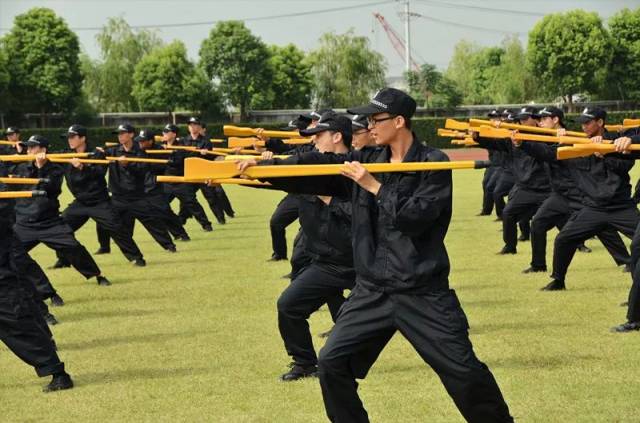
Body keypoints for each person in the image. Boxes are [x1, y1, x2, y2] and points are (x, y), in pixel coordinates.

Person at [238, 88, 513, 422]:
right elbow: (317, 168)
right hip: (372, 291)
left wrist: (375, 187)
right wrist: (268, 167)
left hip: (421, 291)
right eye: (366, 120)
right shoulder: (366, 161)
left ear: (399, 121)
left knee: (464, 371)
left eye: (375, 119)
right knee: (332, 364)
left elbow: (417, 219)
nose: (368, 126)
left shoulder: (432, 163)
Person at [267, 112, 355, 381]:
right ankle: (305, 362)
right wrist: (243, 173)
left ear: (337, 137)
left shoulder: (350, 167)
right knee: (289, 305)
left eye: (319, 136)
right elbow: (285, 178)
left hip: (364, 260)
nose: (313, 142)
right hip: (328, 262)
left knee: (403, 311)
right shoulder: (315, 169)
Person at [11, 135, 112, 287]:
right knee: (9, 252)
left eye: (33, 147)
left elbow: (50, 189)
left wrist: (40, 168)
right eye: (28, 147)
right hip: (24, 223)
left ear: (43, 150)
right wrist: (20, 156)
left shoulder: (55, 169)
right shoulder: (21, 167)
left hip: (49, 223)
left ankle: (97, 275)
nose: (29, 150)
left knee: (73, 247)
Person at [52, 124, 147, 269]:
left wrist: (82, 167)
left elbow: (99, 173)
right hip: (80, 202)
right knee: (60, 228)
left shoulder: (96, 154)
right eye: (68, 138)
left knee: (117, 229)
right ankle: (64, 260)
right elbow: (48, 162)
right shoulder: (65, 154)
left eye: (73, 137)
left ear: (83, 138)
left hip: (99, 202)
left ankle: (137, 258)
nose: (69, 140)